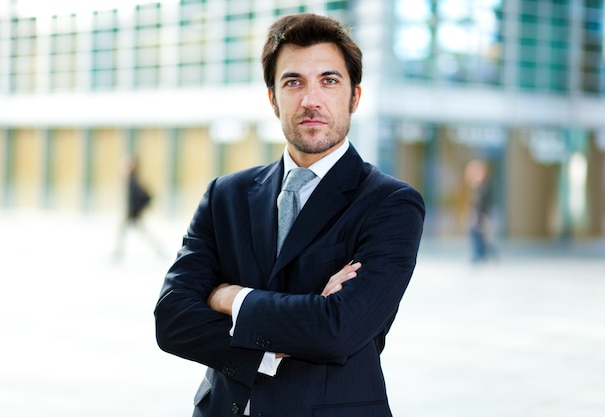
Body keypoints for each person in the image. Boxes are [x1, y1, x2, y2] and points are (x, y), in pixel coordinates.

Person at [154, 13, 425, 417]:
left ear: (355, 96)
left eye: (329, 81)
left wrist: (230, 297)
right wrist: (282, 337)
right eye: (293, 82)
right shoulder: (225, 195)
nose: (310, 99)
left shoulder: (391, 204)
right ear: (272, 98)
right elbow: (172, 319)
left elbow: (338, 330)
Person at [464, 159, 495, 263]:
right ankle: (480, 254)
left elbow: (483, 203)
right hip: (477, 214)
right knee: (476, 235)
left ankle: (483, 254)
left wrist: (481, 215)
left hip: (481, 215)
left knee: (480, 235)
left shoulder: (485, 185)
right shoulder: (476, 186)